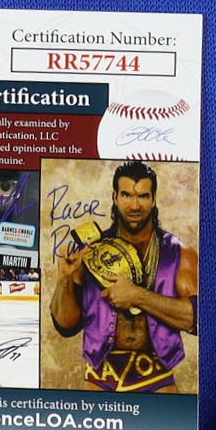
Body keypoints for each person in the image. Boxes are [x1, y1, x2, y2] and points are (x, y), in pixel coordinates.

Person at [49, 160, 198, 393]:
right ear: (115, 197)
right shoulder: (90, 251)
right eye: (127, 195)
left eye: (143, 196)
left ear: (154, 199)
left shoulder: (179, 254)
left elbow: (198, 320)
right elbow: (66, 326)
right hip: (99, 379)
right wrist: (65, 280)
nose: (135, 205)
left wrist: (137, 296)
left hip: (156, 379)